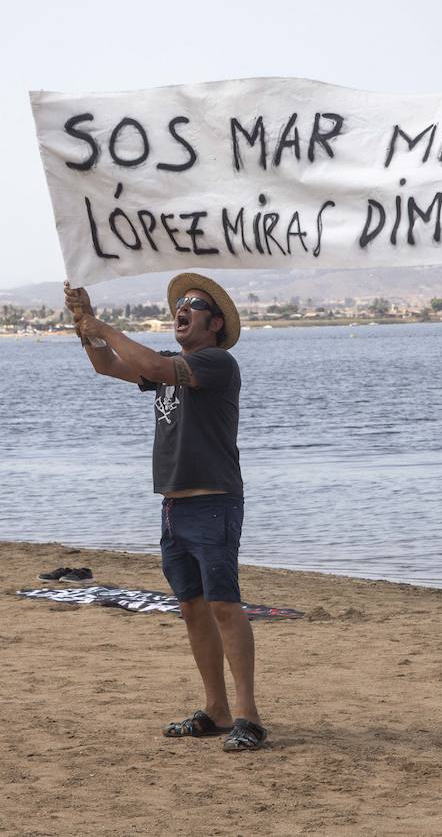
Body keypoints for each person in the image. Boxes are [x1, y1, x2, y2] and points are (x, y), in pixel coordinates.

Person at [64, 272, 266, 752]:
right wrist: (84, 324)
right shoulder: (171, 365)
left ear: (214, 323)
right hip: (174, 506)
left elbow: (151, 366)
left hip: (214, 501)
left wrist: (104, 325)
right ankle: (216, 711)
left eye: (193, 304)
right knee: (192, 607)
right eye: (179, 302)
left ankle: (248, 716)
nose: (182, 307)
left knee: (223, 604)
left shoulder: (217, 363)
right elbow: (106, 366)